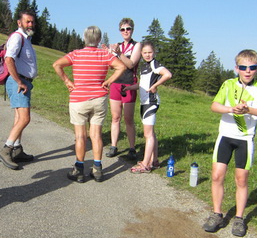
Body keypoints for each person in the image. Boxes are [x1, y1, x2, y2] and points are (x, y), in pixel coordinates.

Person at [203, 49, 257, 237]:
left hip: (245, 139)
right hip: (225, 136)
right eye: (243, 67)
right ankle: (217, 214)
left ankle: (239, 218)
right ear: (236, 68)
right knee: (217, 175)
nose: (247, 71)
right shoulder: (228, 84)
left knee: (241, 179)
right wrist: (231, 109)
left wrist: (249, 110)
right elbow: (214, 106)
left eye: (252, 67)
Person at [53, 26, 126, 183]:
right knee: (96, 135)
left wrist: (67, 81)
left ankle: (79, 170)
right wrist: (108, 81)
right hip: (99, 99)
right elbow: (121, 66)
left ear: (84, 38)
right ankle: (97, 169)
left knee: (80, 136)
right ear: (99, 40)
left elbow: (57, 65)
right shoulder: (105, 54)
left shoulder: (76, 54)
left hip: (79, 99)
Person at [0, 11, 38, 170]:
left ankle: (17, 149)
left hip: (22, 81)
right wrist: (19, 81)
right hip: (18, 82)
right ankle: (6, 150)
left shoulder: (26, 39)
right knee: (25, 119)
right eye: (27, 22)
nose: (30, 24)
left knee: (19, 117)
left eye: (32, 22)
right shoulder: (17, 37)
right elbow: (9, 59)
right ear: (19, 23)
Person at [126, 41, 172, 173]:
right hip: (144, 102)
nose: (147, 55)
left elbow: (168, 74)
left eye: (150, 52)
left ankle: (145, 164)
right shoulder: (144, 66)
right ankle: (155, 161)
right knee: (151, 133)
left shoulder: (154, 64)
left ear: (154, 52)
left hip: (150, 102)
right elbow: (142, 84)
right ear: (141, 53)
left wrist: (155, 85)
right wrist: (130, 88)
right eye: (145, 53)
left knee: (148, 134)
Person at [102, 18, 142, 160]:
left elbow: (131, 64)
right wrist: (107, 53)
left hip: (129, 84)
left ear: (132, 30)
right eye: (123, 29)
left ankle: (132, 148)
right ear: (119, 31)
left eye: (128, 28)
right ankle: (113, 146)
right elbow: (112, 67)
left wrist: (118, 54)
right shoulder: (117, 45)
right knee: (115, 117)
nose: (125, 31)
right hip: (116, 83)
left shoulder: (137, 45)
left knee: (128, 118)